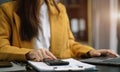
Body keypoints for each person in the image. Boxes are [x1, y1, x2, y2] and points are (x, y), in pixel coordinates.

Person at [0, 0, 119, 62]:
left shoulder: (60, 9)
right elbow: (1, 47)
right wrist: (28, 54)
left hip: (59, 67)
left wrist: (91, 51)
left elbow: (69, 44)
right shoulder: (7, 10)